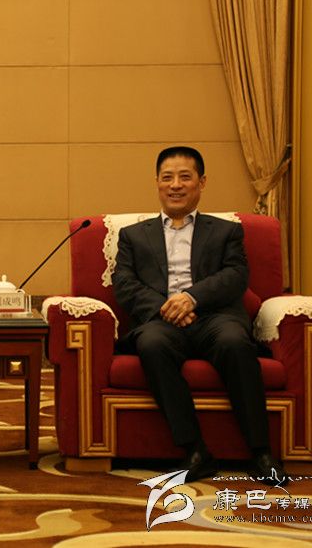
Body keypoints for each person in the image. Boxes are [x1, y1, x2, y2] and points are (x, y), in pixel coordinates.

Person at [112, 146, 287, 483]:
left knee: (235, 342)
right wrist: (168, 307)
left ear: (202, 182)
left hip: (214, 317)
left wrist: (192, 299)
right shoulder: (133, 236)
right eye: (167, 177)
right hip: (161, 319)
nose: (175, 185)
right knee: (151, 344)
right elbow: (124, 283)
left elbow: (235, 275)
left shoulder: (226, 231)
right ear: (157, 182)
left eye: (185, 177)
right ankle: (195, 450)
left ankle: (261, 452)